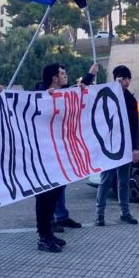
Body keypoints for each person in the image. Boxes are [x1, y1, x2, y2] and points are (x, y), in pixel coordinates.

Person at [47, 62, 99, 233]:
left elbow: (77, 92)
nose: (65, 75)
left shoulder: (64, 93)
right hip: (48, 150)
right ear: (54, 78)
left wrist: (90, 75)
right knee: (51, 187)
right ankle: (50, 220)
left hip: (61, 148)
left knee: (61, 184)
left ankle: (61, 216)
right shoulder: (42, 93)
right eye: (62, 73)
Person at [95, 65, 139, 226]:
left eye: (128, 79)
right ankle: (99, 214)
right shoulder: (106, 96)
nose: (126, 82)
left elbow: (135, 126)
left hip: (125, 146)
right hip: (109, 146)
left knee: (124, 181)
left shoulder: (131, 100)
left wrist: (135, 148)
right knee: (105, 180)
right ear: (116, 79)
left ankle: (125, 212)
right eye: (123, 79)